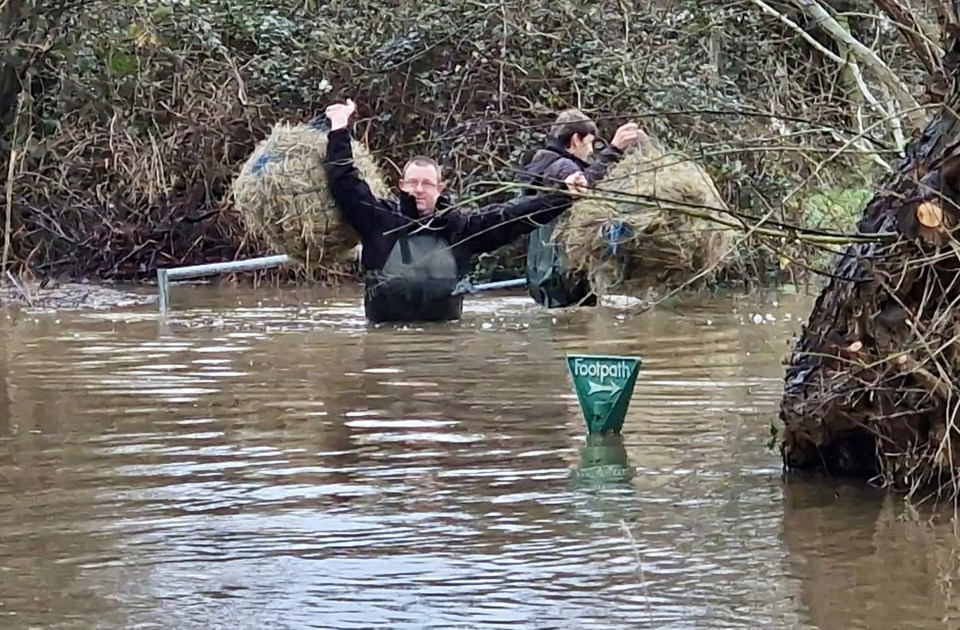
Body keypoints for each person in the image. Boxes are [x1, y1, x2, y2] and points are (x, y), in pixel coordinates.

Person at [322, 99, 589, 325]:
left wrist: (563, 195)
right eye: (412, 183)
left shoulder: (460, 228)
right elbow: (345, 181)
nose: (419, 190)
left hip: (442, 349)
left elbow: (513, 216)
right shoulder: (378, 220)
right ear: (401, 185)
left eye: (426, 184)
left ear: (440, 188)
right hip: (384, 346)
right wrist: (339, 127)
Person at [521, 109, 646, 309]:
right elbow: (583, 184)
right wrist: (614, 150)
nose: (590, 151)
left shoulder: (539, 164)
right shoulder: (563, 167)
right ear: (576, 139)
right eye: (589, 143)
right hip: (565, 278)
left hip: (539, 276)